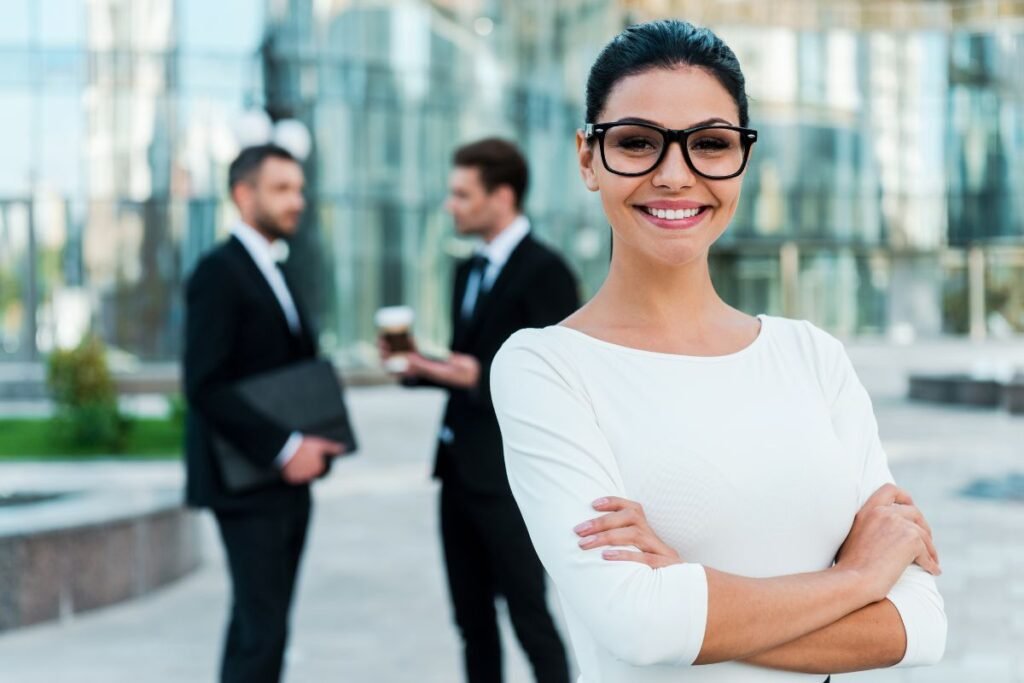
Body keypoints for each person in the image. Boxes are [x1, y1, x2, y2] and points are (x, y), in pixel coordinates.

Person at [490, 20, 946, 683]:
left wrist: (686, 587)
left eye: (709, 143)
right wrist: (860, 576)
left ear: (743, 160)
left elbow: (921, 625)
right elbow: (640, 625)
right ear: (588, 158)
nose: (674, 175)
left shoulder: (813, 357)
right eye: (638, 142)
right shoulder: (546, 368)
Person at [382, 138, 577, 683]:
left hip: (511, 480)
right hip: (457, 474)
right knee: (471, 624)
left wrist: (475, 373)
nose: (451, 206)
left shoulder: (547, 272)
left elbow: (558, 378)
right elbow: (468, 370)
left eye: (462, 194)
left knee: (530, 618)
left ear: (502, 196)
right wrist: (420, 366)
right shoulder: (466, 272)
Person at [183, 144, 344, 683]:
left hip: (285, 482)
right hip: (247, 480)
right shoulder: (218, 273)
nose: (296, 200)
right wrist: (284, 447)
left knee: (265, 627)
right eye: (281, 189)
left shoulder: (278, 269)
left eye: (299, 188)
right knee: (261, 631)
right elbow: (204, 384)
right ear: (242, 194)